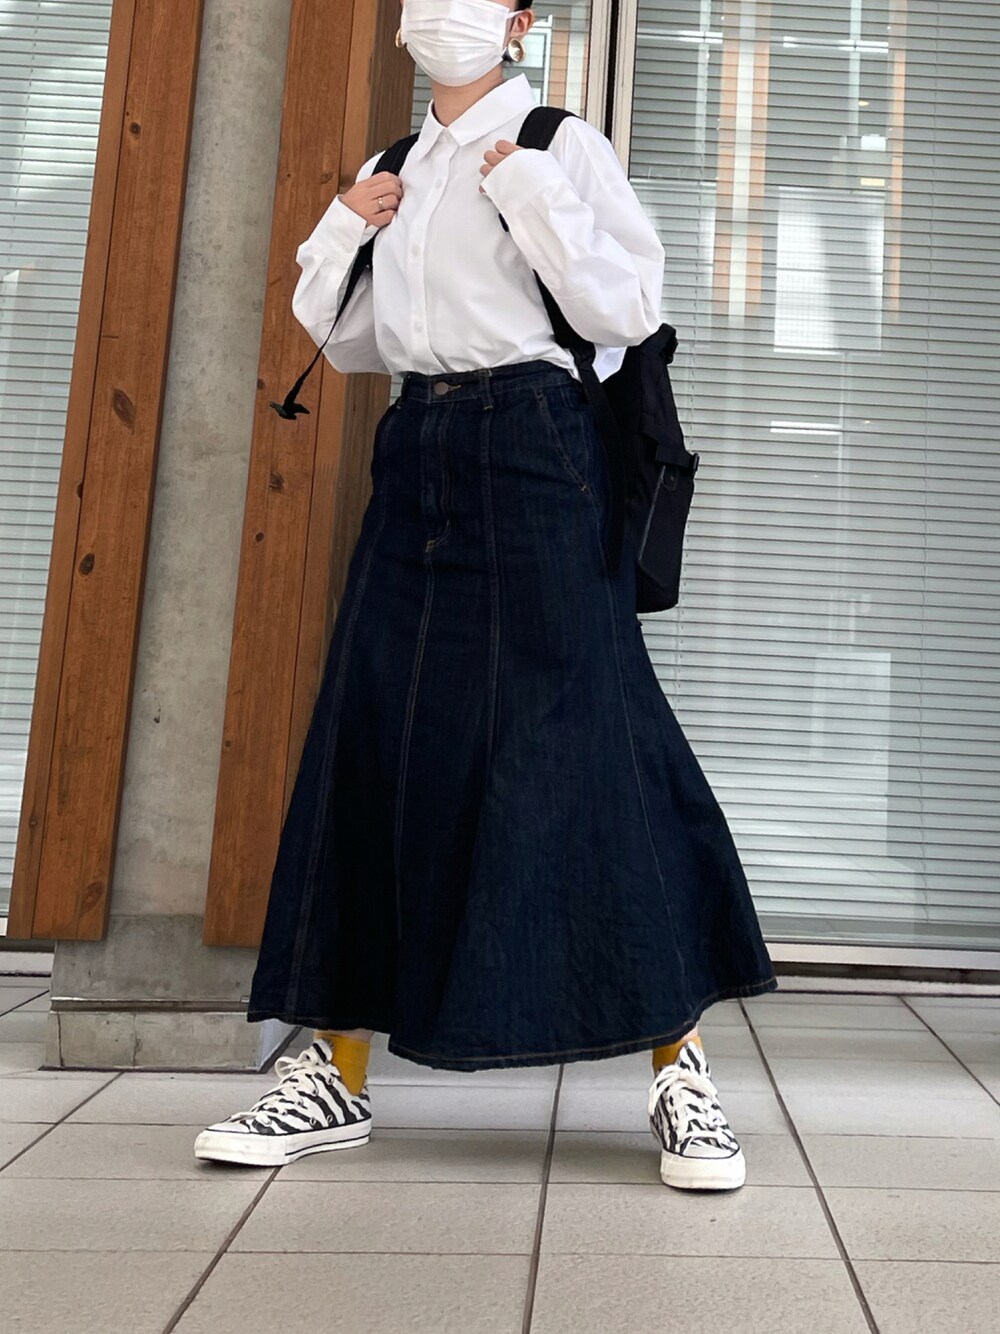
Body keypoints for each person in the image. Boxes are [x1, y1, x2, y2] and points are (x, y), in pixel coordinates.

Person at [194, 0, 779, 1192]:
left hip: (537, 443)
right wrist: (340, 224)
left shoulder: (562, 144)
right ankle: (334, 1067)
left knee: (588, 739)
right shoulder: (396, 162)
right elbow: (352, 342)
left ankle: (680, 1065)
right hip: (419, 443)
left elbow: (625, 313)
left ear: (518, 23)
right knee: (377, 734)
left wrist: (525, 191)